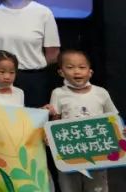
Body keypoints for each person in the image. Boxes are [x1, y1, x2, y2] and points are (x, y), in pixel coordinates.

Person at [47, 49, 118, 192]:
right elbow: (55, 121)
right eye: (70, 67)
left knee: (97, 187)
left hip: (97, 151)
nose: (77, 71)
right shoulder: (58, 93)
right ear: (61, 72)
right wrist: (49, 135)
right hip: (69, 153)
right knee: (69, 187)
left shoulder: (101, 93)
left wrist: (119, 132)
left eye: (82, 67)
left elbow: (113, 118)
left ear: (90, 72)